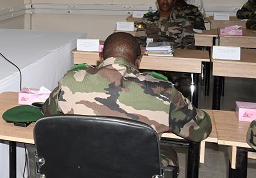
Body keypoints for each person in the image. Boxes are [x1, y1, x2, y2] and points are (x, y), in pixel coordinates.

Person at [42, 32, 212, 169]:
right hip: (136, 169)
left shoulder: (71, 81)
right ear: (139, 61)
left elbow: (47, 113)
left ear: (101, 56)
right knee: (168, 151)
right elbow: (200, 131)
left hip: (80, 166)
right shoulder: (164, 91)